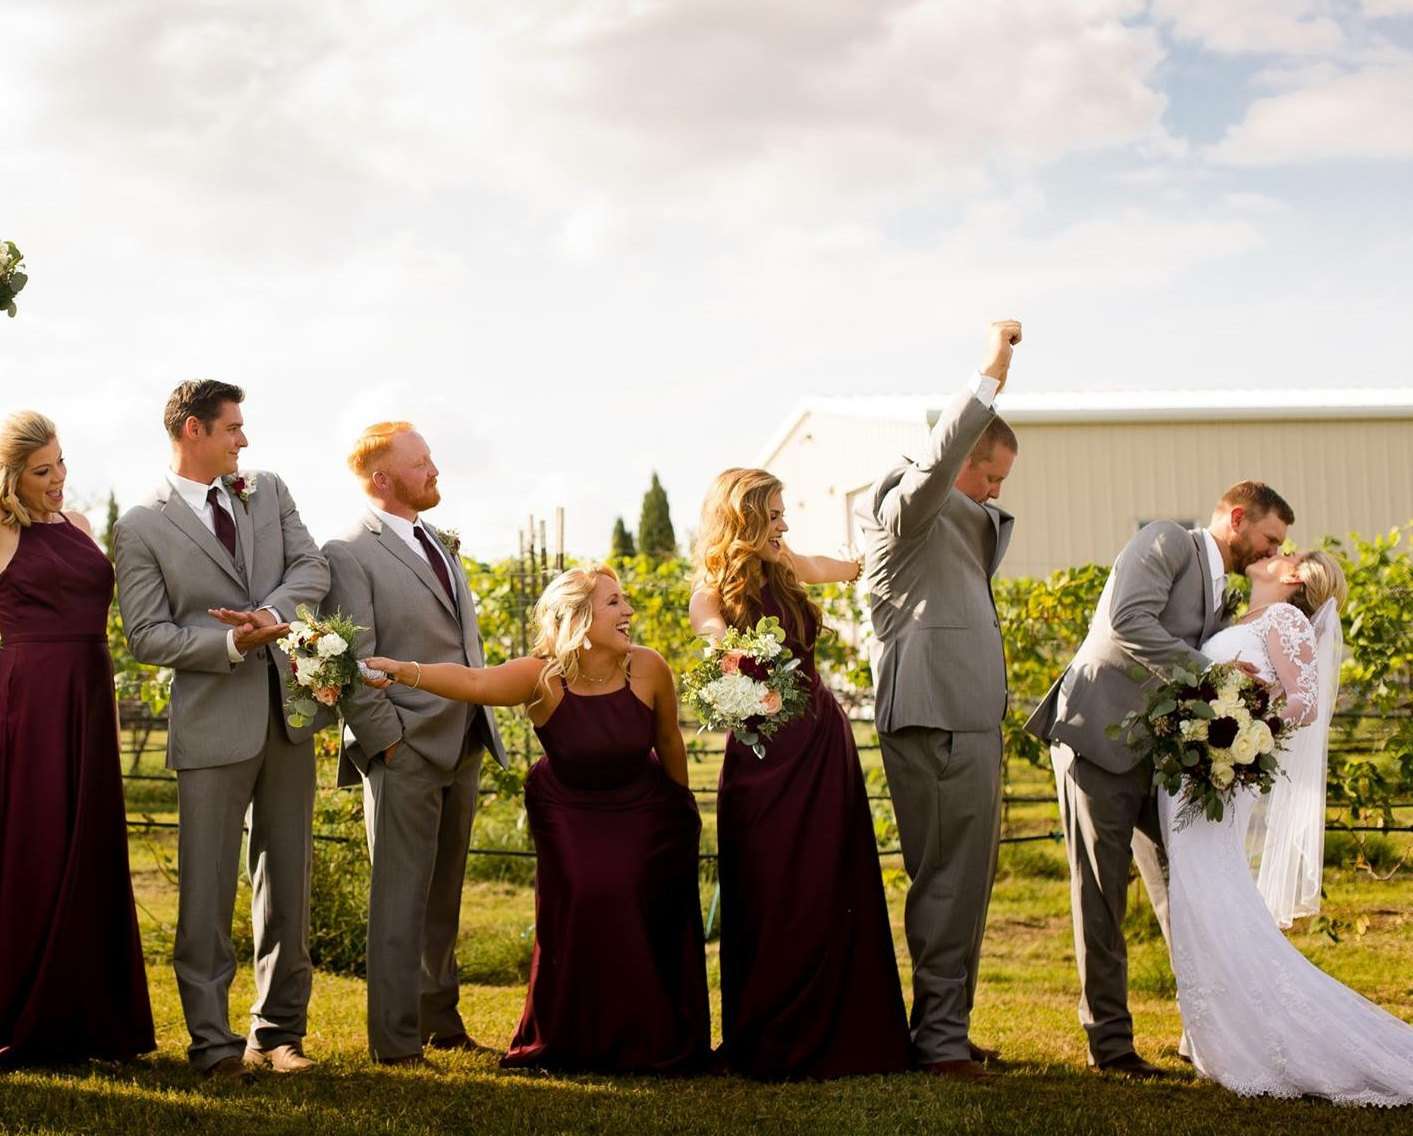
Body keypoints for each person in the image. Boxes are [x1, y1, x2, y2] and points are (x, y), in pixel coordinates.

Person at [0, 311, 155, 1069]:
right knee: (34, 841)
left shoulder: (82, 524)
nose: (58, 480)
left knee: (87, 847)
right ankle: (25, 1006)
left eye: (61, 464)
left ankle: (94, 1016)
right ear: (12, 478)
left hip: (89, 696)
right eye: (42, 470)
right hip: (32, 697)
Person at [364, 565, 710, 1073]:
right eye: (615, 603)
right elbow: (475, 682)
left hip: (642, 803)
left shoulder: (649, 667)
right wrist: (402, 669)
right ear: (578, 614)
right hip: (567, 806)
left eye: (626, 601)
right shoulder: (543, 675)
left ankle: (648, 1034)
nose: (629, 612)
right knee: (592, 891)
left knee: (636, 893)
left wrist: (683, 808)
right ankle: (573, 1032)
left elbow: (669, 741)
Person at [1164, 550, 1413, 1117]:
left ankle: (1257, 1036)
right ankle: (1212, 1031)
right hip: (1196, 772)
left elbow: (1304, 704)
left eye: (1286, 552)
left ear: (1296, 577)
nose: (1273, 552)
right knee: (1195, 897)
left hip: (1225, 770)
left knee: (1214, 892)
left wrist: (1238, 728)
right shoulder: (1241, 622)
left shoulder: (1285, 622)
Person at [1024, 481, 1290, 1076]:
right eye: (1269, 538)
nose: (1271, 551)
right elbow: (1125, 622)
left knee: (1185, 888)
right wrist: (1215, 670)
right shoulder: (1166, 540)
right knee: (1102, 892)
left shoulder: (1226, 594)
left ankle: (1206, 1033)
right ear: (1238, 518)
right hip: (1098, 735)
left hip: (1163, 759)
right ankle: (1110, 1044)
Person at [113, 380, 329, 1081]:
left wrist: (266, 616)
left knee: (288, 881)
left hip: (288, 715)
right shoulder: (140, 526)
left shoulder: (268, 490)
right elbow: (146, 634)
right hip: (209, 722)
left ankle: (279, 1033)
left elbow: (312, 566)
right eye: (233, 427)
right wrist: (231, 646)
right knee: (206, 890)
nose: (244, 440)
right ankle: (212, 1042)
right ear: (193, 431)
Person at [692, 469, 910, 1080]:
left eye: (785, 513)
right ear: (743, 518)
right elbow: (714, 641)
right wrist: (732, 655)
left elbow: (848, 567)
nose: (785, 524)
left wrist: (893, 541)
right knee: (771, 886)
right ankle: (770, 1029)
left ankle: (845, 1026)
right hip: (763, 754)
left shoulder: (786, 565)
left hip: (821, 745)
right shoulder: (710, 593)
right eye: (775, 513)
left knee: (828, 881)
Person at [857, 320, 1021, 1080]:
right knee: (948, 877)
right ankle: (940, 1043)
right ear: (957, 459)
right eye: (990, 476)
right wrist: (989, 375)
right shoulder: (908, 506)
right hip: (936, 718)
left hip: (970, 717)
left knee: (968, 879)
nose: (994, 492)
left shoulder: (957, 521)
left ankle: (947, 1025)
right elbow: (936, 464)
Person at [324, 423, 508, 1066]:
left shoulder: (437, 540)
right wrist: (388, 744)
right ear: (381, 478)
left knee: (443, 896)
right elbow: (347, 659)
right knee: (399, 899)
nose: (435, 471)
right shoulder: (348, 550)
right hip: (405, 748)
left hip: (464, 739)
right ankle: (396, 1041)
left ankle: (441, 1021)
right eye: (421, 463)